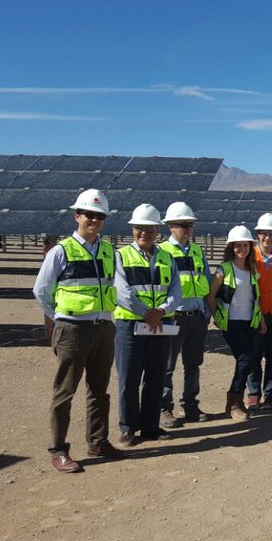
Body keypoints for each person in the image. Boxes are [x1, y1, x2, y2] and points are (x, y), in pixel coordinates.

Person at [32, 189, 124, 473]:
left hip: (103, 328)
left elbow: (115, 288)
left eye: (100, 216)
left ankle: (98, 441)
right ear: (77, 216)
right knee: (65, 391)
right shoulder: (61, 251)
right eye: (89, 215)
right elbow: (42, 291)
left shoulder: (109, 250)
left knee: (99, 390)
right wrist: (61, 318)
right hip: (72, 328)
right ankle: (59, 450)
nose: (95, 220)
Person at [112, 204, 181, 445]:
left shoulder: (167, 257)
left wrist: (161, 311)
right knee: (129, 379)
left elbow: (176, 291)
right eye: (140, 229)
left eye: (150, 229)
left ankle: (150, 426)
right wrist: (146, 313)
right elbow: (121, 292)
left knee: (155, 376)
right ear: (132, 230)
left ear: (157, 231)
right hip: (130, 326)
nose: (145, 233)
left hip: (160, 325)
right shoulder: (120, 256)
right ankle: (128, 428)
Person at [158, 202, 213, 429]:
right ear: (170, 226)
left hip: (196, 316)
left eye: (190, 224)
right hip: (173, 316)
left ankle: (190, 404)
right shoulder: (162, 251)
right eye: (183, 224)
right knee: (167, 364)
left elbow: (207, 282)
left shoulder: (198, 251)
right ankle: (164, 408)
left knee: (193, 363)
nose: (188, 228)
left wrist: (207, 311)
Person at [206, 225, 266, 421]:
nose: (242, 249)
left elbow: (255, 299)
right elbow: (211, 295)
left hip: (251, 322)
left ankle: (236, 402)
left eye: (245, 245)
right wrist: (217, 316)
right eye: (237, 245)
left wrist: (262, 320)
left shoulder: (252, 270)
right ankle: (233, 403)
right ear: (231, 247)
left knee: (248, 362)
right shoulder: (224, 269)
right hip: (232, 322)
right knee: (245, 360)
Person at [247, 213, 272, 410]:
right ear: (257, 235)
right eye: (263, 233)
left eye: (271, 234)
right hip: (255, 316)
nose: (267, 238)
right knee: (254, 356)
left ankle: (270, 395)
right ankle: (253, 394)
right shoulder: (248, 256)